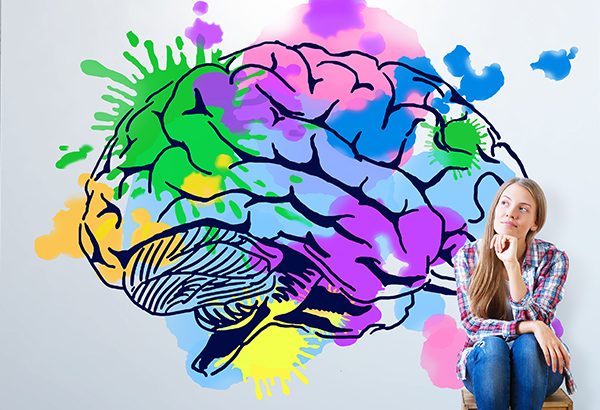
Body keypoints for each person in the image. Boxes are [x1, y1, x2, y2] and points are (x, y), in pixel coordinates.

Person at [453, 177, 576, 410]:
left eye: (523, 209)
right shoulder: (468, 256)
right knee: (494, 346)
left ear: (534, 222)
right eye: (505, 204)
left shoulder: (553, 258)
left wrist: (512, 266)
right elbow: (472, 324)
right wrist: (533, 326)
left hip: (539, 368)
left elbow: (538, 318)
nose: (511, 214)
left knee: (529, 344)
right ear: (495, 209)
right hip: (486, 365)